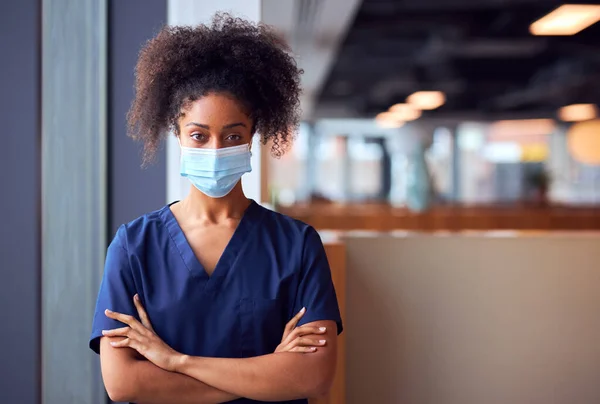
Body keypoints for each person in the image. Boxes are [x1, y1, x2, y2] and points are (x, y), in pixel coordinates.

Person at [89, 13, 343, 404]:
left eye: (233, 135)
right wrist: (265, 372)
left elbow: (312, 376)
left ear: (253, 133)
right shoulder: (134, 247)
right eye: (199, 135)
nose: (216, 150)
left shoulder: (297, 245)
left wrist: (175, 360)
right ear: (176, 132)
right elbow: (124, 383)